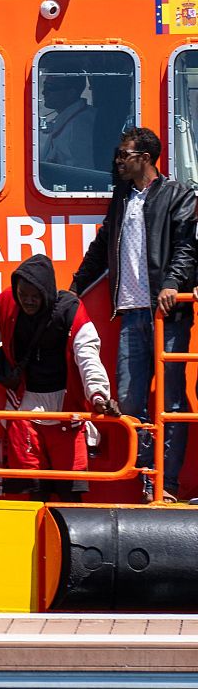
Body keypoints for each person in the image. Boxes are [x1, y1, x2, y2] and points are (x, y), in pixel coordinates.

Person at [70, 126, 198, 503]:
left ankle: (168, 484)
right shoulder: (122, 197)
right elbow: (102, 246)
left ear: (144, 157)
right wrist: (75, 288)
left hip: (166, 314)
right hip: (129, 312)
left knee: (171, 399)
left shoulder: (178, 194)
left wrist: (172, 284)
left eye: (124, 154)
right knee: (129, 399)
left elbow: (186, 248)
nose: (117, 161)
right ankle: (148, 477)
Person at [0, 255, 112, 502]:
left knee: (71, 500)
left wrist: (99, 395)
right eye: (23, 293)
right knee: (30, 498)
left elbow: (88, 357)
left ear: (47, 291)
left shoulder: (71, 310)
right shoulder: (5, 303)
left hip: (67, 414)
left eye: (35, 294)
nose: (28, 300)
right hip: (22, 413)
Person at [39, 74, 98, 171]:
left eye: (51, 88)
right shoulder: (67, 118)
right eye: (45, 86)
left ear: (71, 92)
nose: (44, 92)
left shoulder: (80, 125)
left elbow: (82, 171)